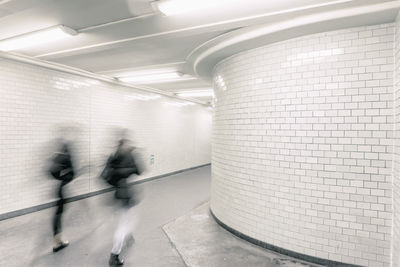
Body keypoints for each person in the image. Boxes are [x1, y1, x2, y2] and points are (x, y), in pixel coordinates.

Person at [104, 135, 142, 266]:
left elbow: (106, 176)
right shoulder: (126, 156)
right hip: (124, 195)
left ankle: (128, 236)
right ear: (124, 145)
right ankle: (114, 256)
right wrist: (133, 155)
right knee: (122, 225)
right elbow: (139, 170)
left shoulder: (113, 156)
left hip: (118, 193)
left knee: (129, 218)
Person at [49, 140, 75, 252]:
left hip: (57, 188)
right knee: (59, 214)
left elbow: (50, 171)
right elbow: (73, 173)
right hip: (62, 189)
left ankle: (57, 241)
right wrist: (64, 179)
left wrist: (59, 179)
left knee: (57, 214)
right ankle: (57, 242)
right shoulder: (67, 158)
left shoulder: (57, 157)